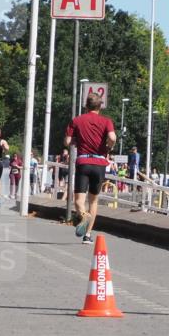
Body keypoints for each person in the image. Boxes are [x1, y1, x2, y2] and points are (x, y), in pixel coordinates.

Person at [64, 92, 116, 243]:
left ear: (86, 106)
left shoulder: (76, 120)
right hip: (99, 164)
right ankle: (87, 235)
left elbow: (67, 141)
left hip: (84, 162)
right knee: (93, 201)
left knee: (79, 200)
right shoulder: (106, 121)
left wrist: (76, 141)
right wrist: (108, 147)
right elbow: (112, 138)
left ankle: (83, 214)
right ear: (100, 107)